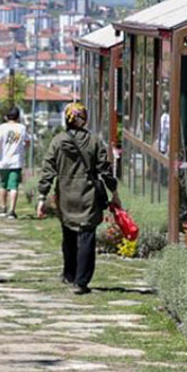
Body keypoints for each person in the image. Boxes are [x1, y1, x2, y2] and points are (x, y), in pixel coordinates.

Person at [36, 102, 119, 295]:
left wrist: (42, 196)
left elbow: (48, 170)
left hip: (65, 194)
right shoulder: (94, 141)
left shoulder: (57, 141)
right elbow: (105, 170)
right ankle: (81, 282)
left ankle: (69, 273)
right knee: (86, 237)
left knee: (69, 236)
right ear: (85, 119)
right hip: (88, 194)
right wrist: (114, 192)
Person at [0, 107, 30, 218]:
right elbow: (27, 142)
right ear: (18, 117)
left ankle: (2, 208)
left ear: (6, 117)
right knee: (13, 186)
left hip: (3, 161)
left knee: (3, 185)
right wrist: (23, 150)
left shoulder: (1, 127)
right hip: (16, 161)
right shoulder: (22, 128)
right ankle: (12, 211)